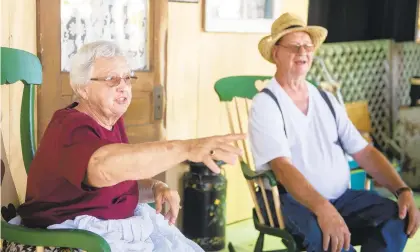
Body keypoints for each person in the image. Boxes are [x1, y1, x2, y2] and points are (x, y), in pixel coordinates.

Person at [10, 41, 245, 252]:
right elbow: (103, 168)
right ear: (83, 88)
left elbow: (115, 183)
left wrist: (155, 187)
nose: (123, 86)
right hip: (68, 240)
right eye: (111, 79)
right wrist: (187, 148)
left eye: (127, 78)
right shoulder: (69, 125)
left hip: (105, 233)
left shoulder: (112, 121)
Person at [249, 13, 420, 252]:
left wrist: (402, 189)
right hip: (290, 201)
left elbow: (364, 152)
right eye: (294, 46)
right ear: (276, 53)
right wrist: (323, 209)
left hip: (341, 199)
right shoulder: (266, 103)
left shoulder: (325, 99)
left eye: (307, 46)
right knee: (330, 241)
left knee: (397, 217)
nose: (302, 52)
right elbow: (282, 169)